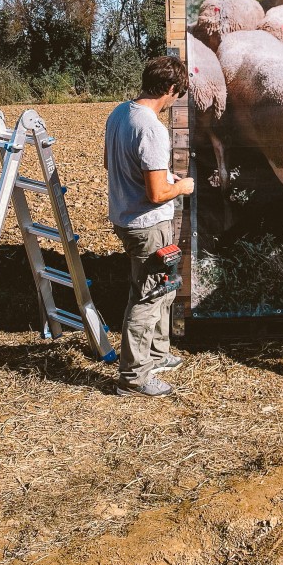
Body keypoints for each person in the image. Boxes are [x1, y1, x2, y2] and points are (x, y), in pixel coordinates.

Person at [104, 55, 195, 397]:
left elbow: (115, 165)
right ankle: (134, 378)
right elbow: (157, 193)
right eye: (177, 95)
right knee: (147, 297)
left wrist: (162, 177)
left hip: (128, 216)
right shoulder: (152, 128)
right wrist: (181, 187)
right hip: (147, 224)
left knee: (163, 288)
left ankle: (156, 353)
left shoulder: (119, 114)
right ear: (171, 89)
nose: (175, 102)